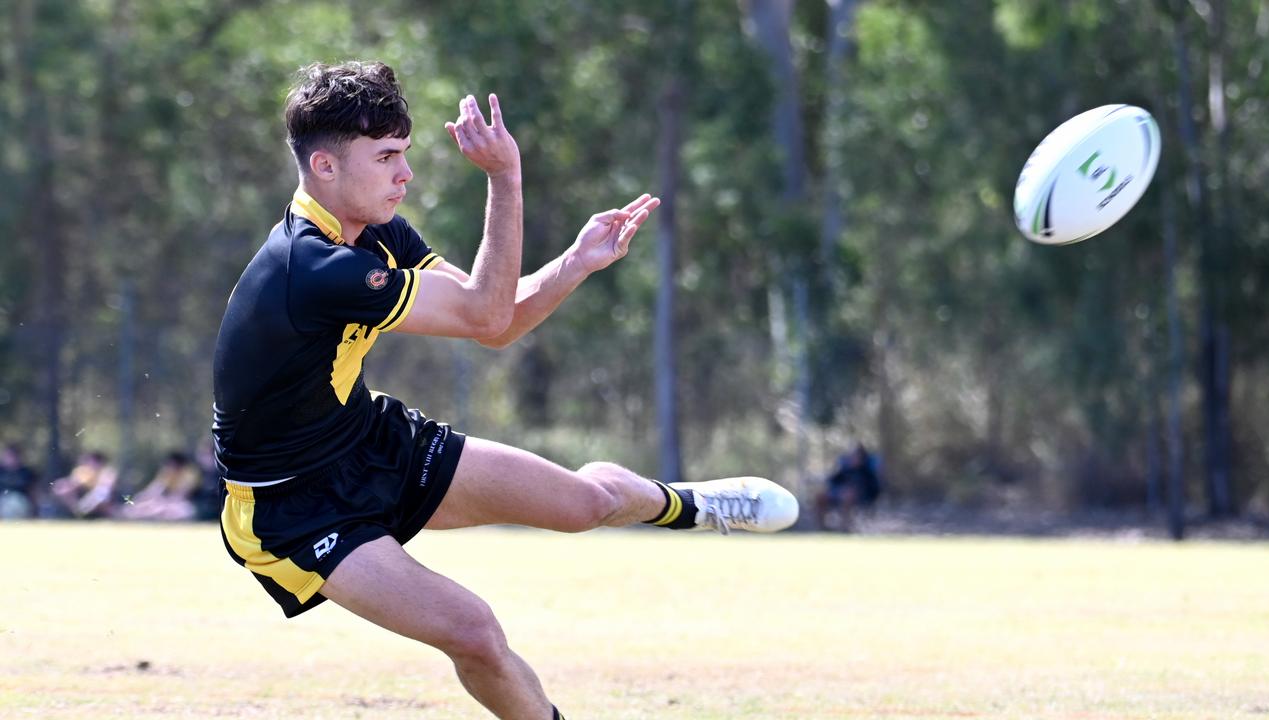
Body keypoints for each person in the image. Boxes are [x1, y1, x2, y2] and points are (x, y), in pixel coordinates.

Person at [212, 61, 798, 720]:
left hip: (369, 441)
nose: (405, 173)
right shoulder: (311, 267)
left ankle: (684, 505)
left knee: (584, 503)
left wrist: (574, 263)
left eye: (404, 153)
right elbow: (484, 314)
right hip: (293, 503)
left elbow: (492, 319)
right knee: (476, 634)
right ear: (324, 167)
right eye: (386, 157)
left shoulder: (373, 232)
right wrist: (504, 176)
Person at [116, 451, 200, 521]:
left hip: (184, 503)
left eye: (171, 465)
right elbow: (154, 490)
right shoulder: (166, 473)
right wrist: (140, 501)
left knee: (181, 511)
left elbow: (181, 496)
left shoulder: (189, 474)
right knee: (140, 507)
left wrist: (162, 504)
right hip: (167, 502)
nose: (168, 468)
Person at [816, 442, 881, 532]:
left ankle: (845, 527)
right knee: (821, 497)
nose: (852, 458)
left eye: (856, 456)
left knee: (847, 495)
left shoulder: (866, 472)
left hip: (861, 497)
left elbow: (873, 487)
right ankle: (823, 528)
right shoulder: (845, 470)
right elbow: (833, 480)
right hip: (839, 494)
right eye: (852, 456)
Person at [50, 451, 119, 519]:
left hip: (104, 500)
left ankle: (83, 511)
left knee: (101, 492)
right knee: (63, 488)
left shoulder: (107, 472)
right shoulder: (83, 471)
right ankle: (78, 511)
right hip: (83, 496)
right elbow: (74, 484)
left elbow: (107, 488)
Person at [0, 444, 39, 519]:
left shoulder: (27, 473)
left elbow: (34, 493)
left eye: (12, 456)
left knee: (14, 502)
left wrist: (35, 511)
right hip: (1, 501)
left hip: (20, 503)